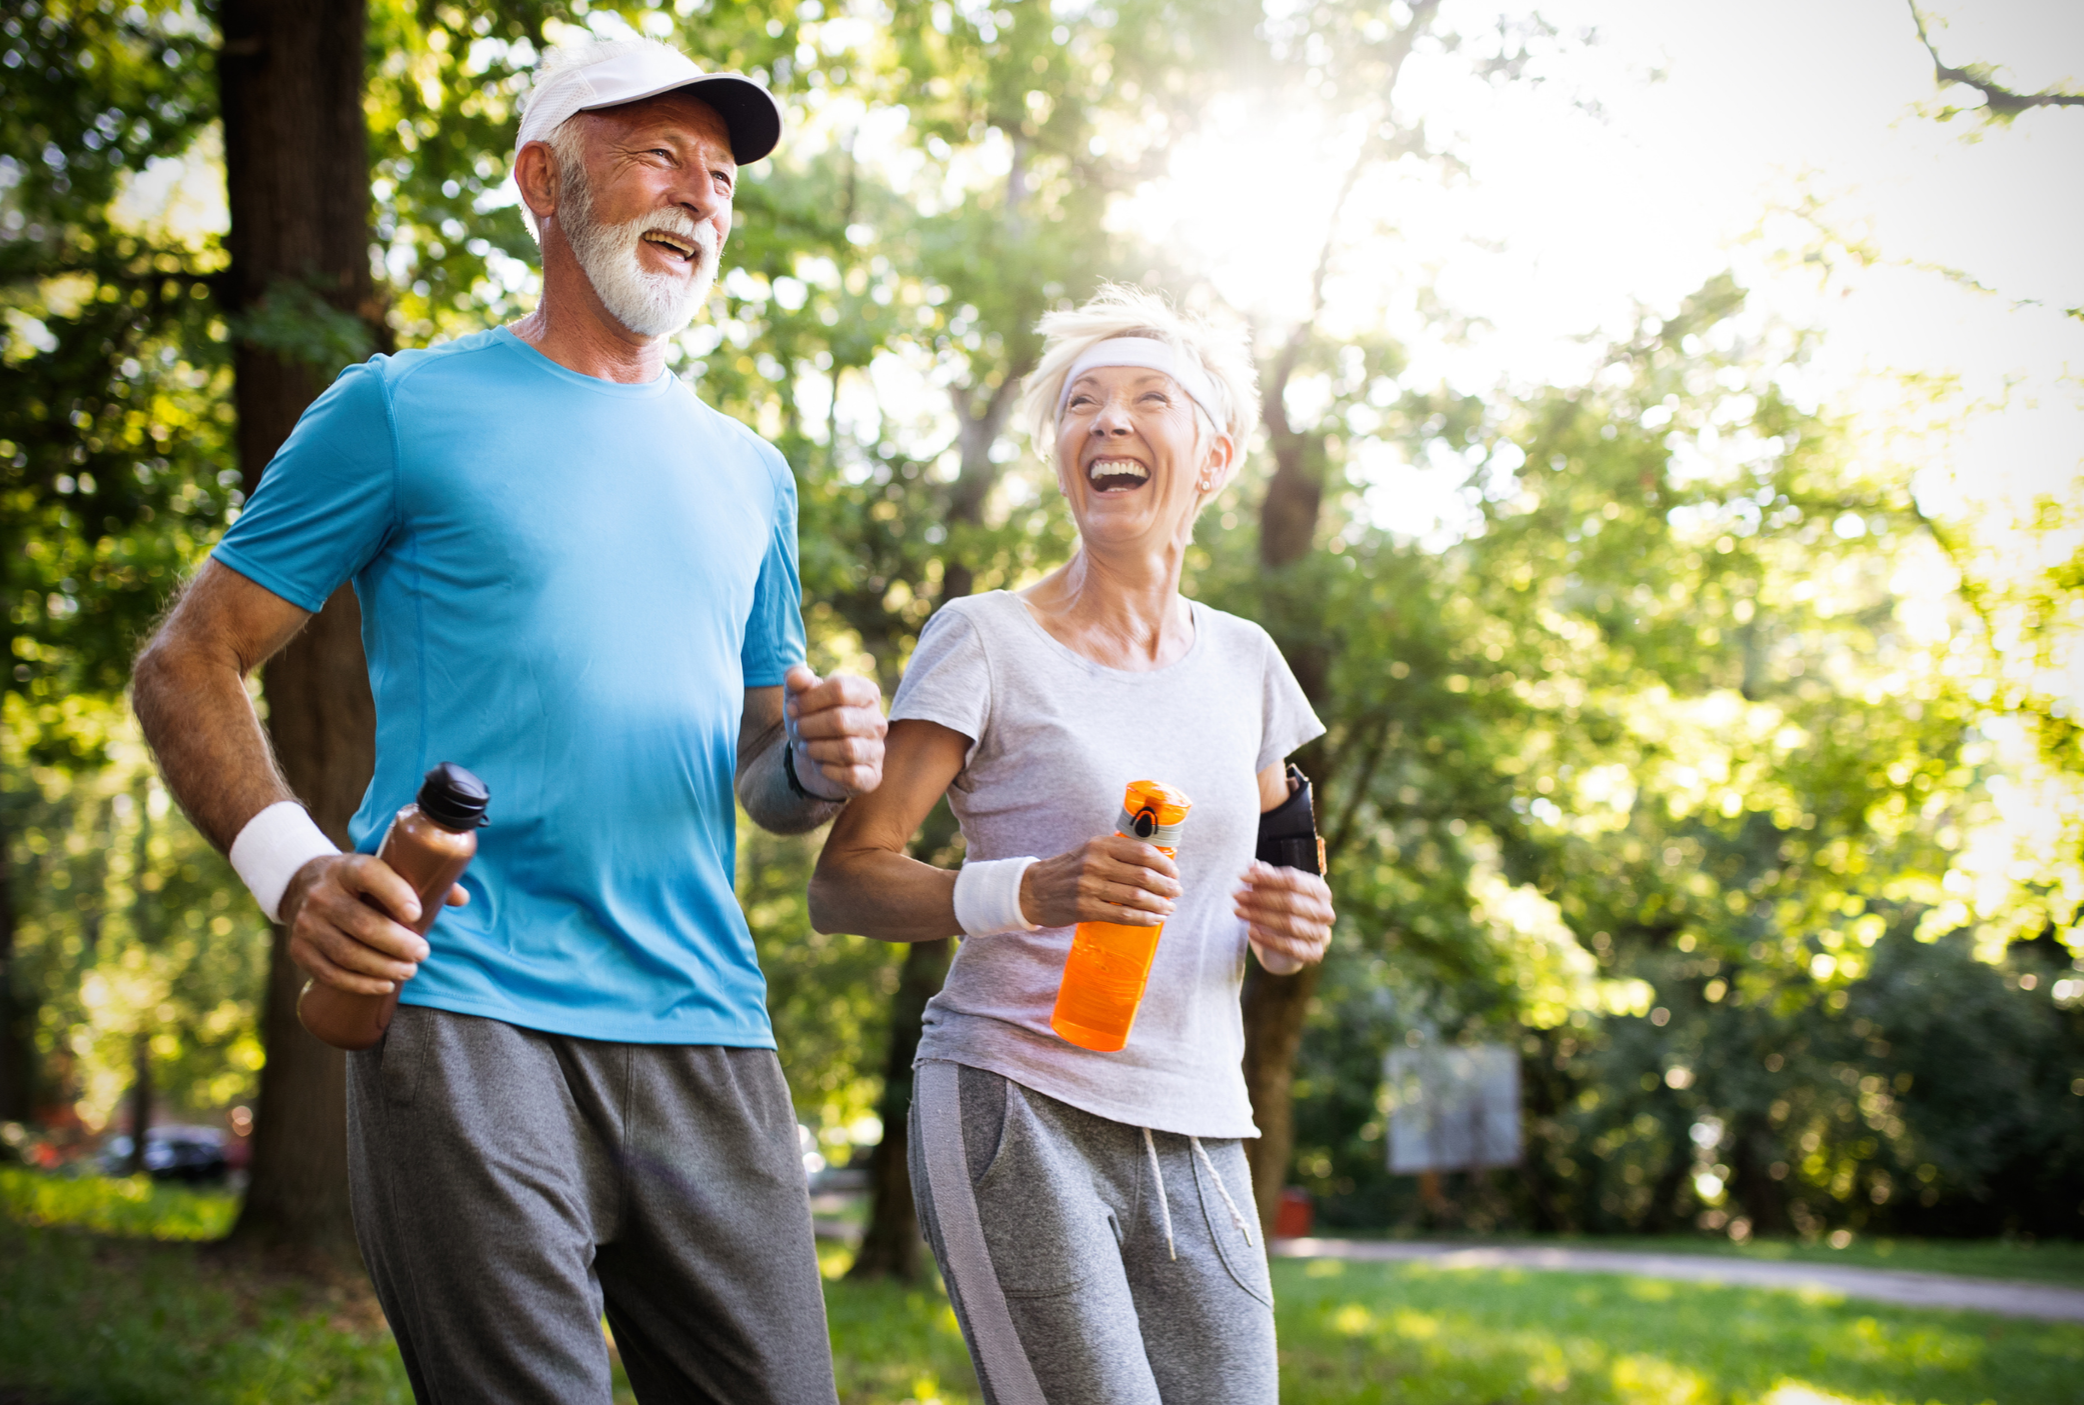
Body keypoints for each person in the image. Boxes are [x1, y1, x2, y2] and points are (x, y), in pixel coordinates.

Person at [132, 35, 884, 1405]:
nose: (700, 199)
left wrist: (815, 767)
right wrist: (295, 872)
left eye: (720, 179)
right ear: (547, 181)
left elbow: (765, 773)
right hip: (470, 1009)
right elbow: (189, 660)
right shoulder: (401, 410)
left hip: (707, 1025)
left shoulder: (752, 476)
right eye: (658, 155)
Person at [810, 286, 1337, 1404]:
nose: (1108, 421)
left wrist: (1299, 926)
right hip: (1018, 1097)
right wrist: (1032, 890)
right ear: (1061, 455)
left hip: (1200, 1122)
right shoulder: (983, 639)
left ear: (1214, 456)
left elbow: (1289, 855)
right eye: (1081, 404)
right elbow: (846, 880)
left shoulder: (1248, 665)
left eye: (1151, 398)